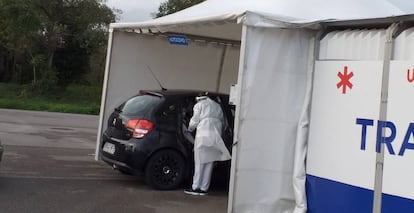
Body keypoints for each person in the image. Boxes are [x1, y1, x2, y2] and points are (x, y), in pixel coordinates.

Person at [184, 92, 231, 196]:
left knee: (200, 161)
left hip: (203, 135)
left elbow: (195, 120)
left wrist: (189, 129)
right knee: (209, 162)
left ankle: (195, 187)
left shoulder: (199, 105)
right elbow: (223, 122)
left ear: (199, 99)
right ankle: (204, 188)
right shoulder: (217, 106)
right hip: (215, 136)